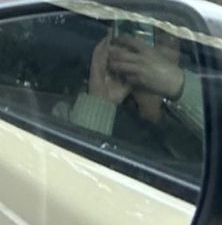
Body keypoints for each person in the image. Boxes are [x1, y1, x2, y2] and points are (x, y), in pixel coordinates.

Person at [55, 24, 205, 168]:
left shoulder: (194, 130)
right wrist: (100, 100)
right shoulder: (67, 117)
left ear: (178, 53)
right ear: (112, 40)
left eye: (163, 34)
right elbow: (73, 182)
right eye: (137, 31)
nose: (148, 49)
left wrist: (176, 84)